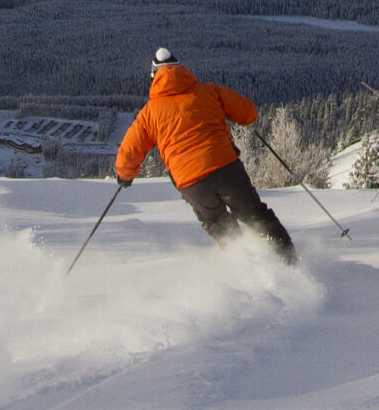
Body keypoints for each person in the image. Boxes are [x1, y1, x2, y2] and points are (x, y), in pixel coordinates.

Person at [115, 48, 297, 264]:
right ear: (182, 69)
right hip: (225, 167)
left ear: (154, 76)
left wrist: (125, 175)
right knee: (254, 214)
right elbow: (248, 112)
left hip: (191, 181)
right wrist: (243, 117)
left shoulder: (149, 113)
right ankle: (290, 262)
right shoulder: (209, 91)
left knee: (218, 224)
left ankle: (247, 269)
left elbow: (130, 149)